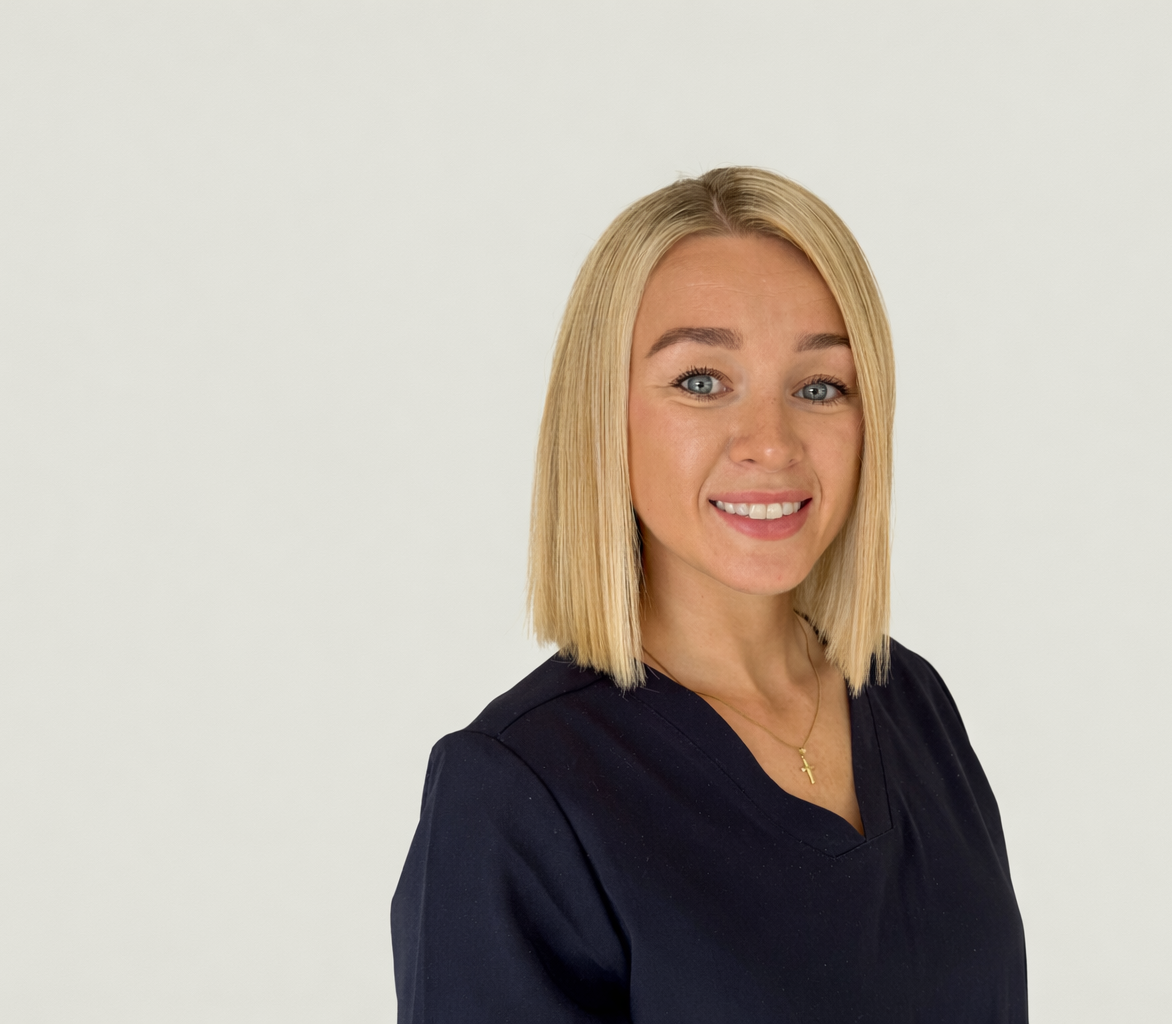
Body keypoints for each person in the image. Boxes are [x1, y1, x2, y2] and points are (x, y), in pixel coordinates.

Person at [391, 167, 1027, 1022]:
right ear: (603, 417)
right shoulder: (518, 790)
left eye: (819, 386)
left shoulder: (911, 705)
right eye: (701, 381)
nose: (771, 443)